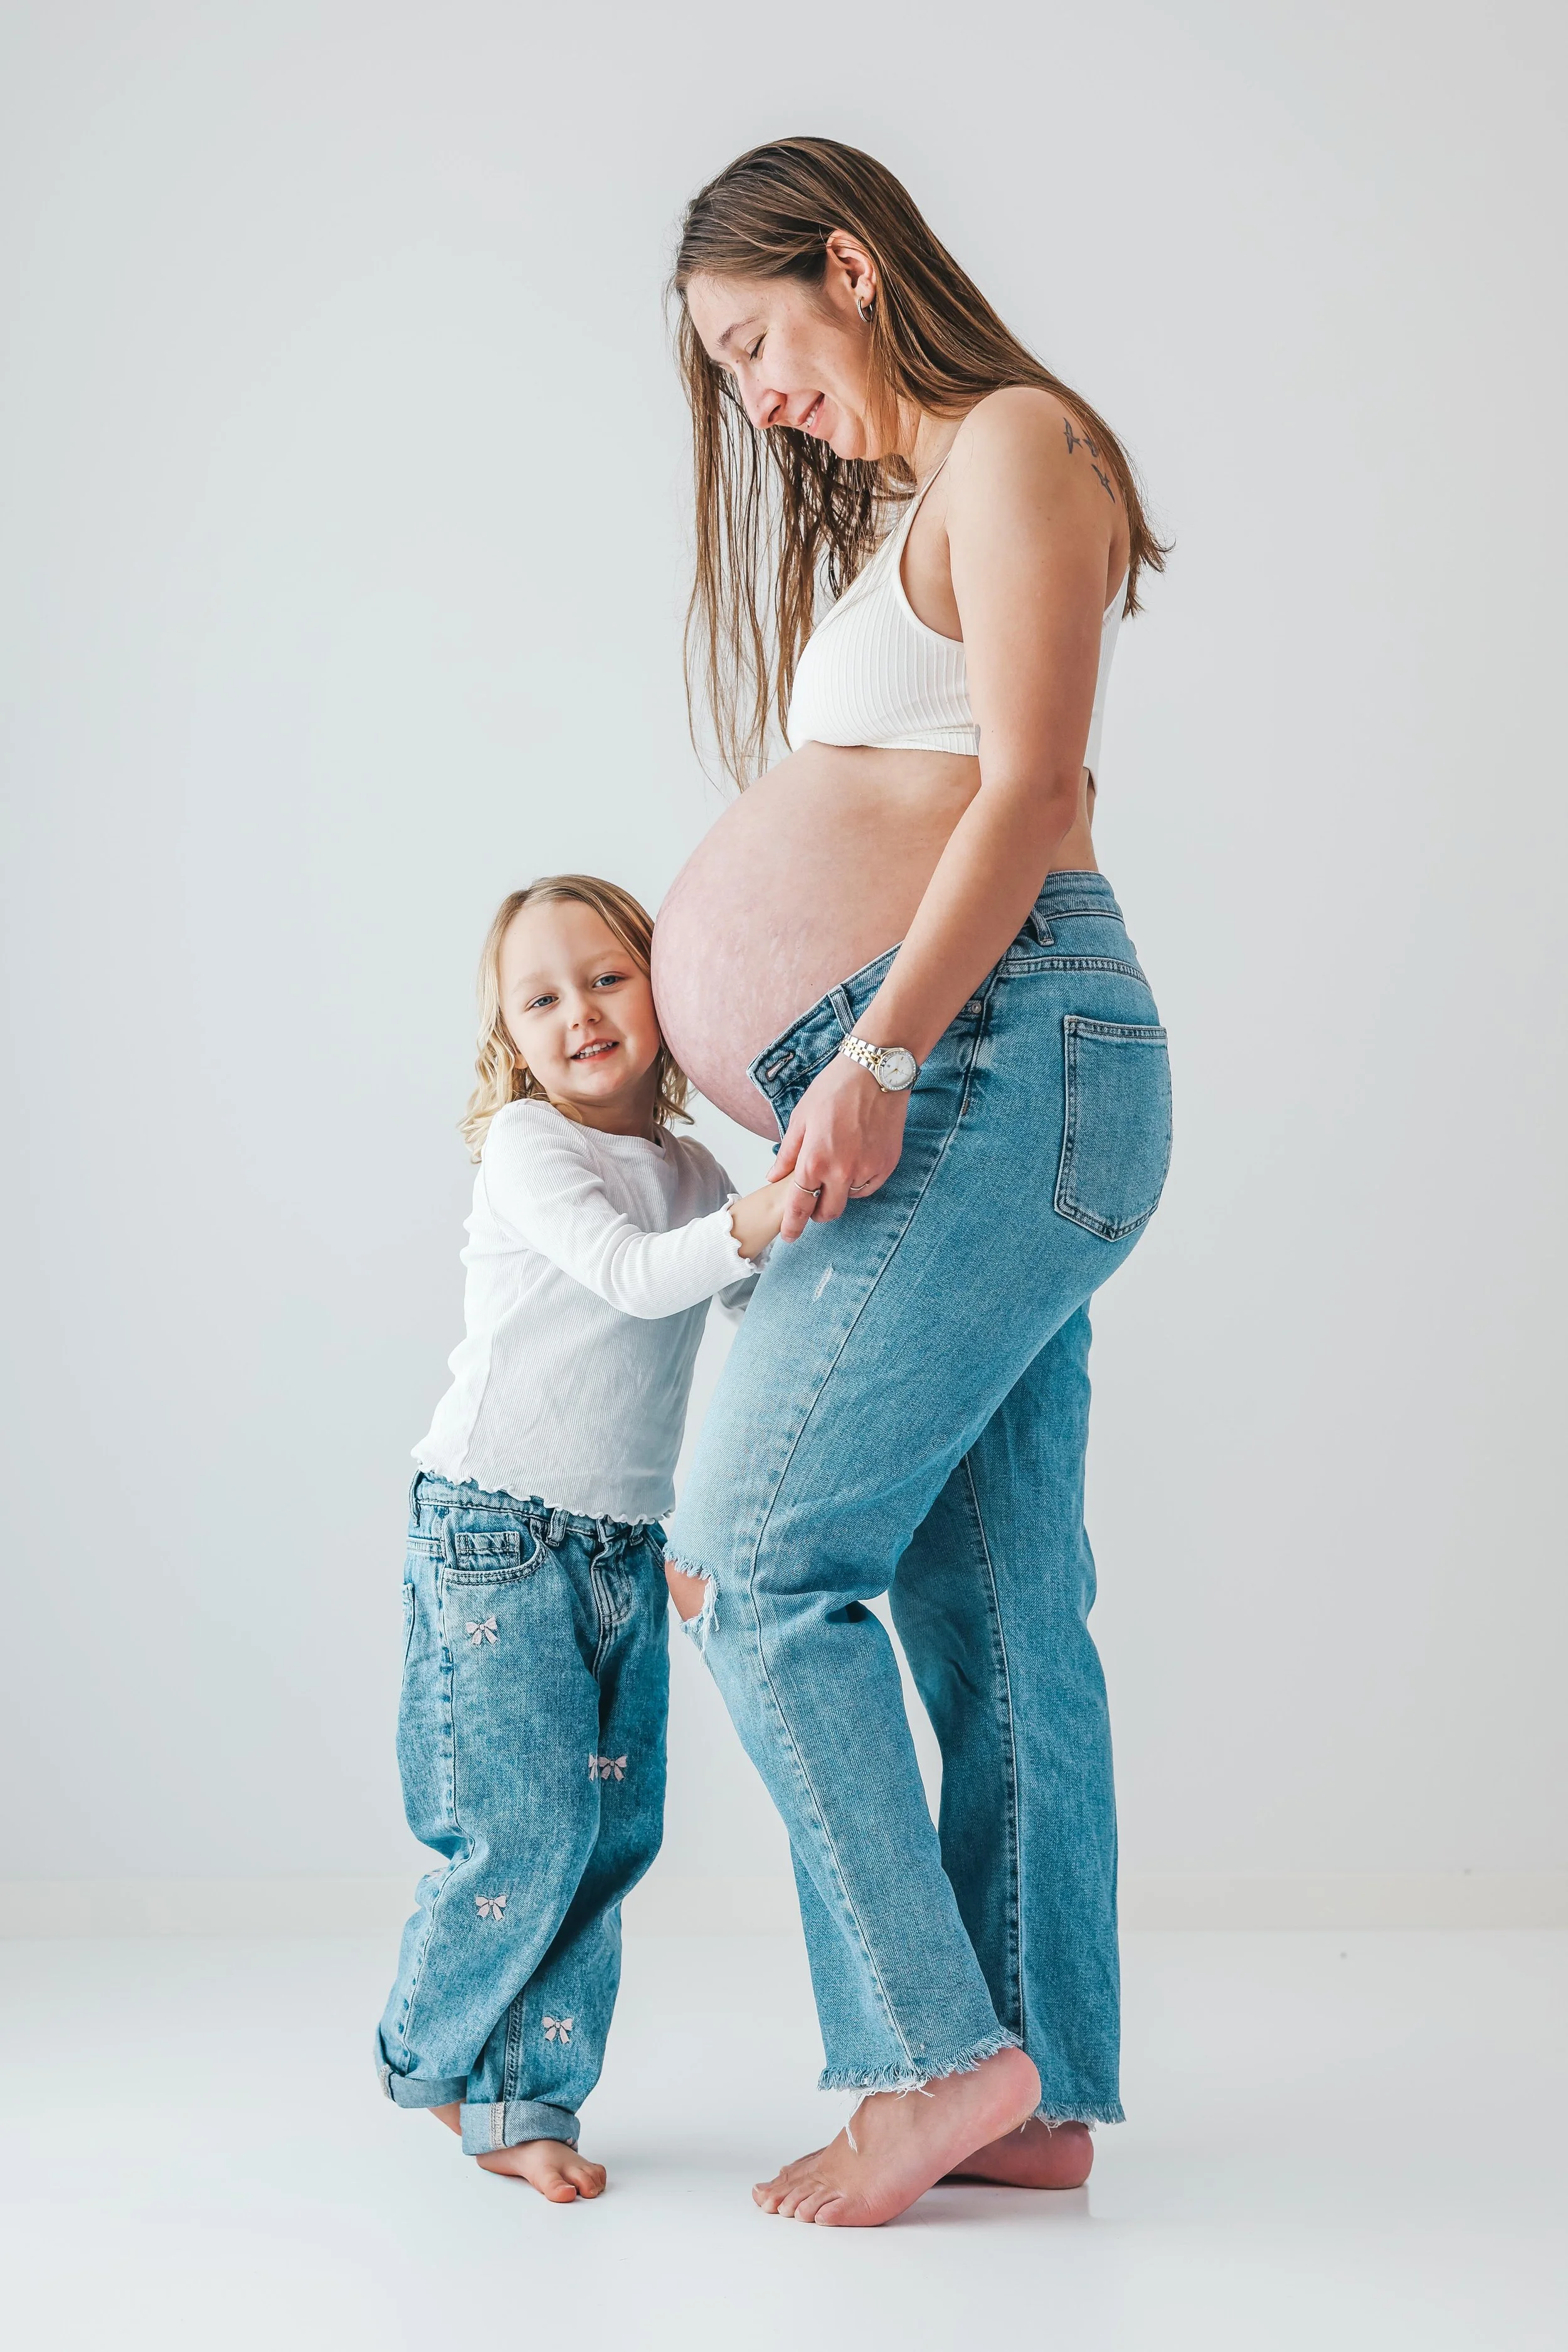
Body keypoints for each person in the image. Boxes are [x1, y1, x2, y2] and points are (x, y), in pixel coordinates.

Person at [652, 138, 1173, 2227]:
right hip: (947, 1074)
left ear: (851, 269)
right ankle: (1033, 2084)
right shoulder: (911, 504)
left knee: (748, 1557)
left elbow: (1032, 789)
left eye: (753, 340)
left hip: (984, 1063)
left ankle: (931, 2055)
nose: (756, 391)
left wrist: (867, 1053)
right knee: (997, 1597)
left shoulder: (1019, 439)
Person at [376, 875, 786, 2200]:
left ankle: (530, 2093)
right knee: (524, 1826)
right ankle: (436, 2058)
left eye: (607, 979)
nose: (581, 1013)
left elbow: (757, 1310)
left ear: (664, 992)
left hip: (619, 1544)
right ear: (509, 1033)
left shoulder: (694, 1173)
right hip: (493, 1529)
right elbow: (634, 1275)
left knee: (611, 1835)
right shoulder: (528, 1145)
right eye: (541, 998)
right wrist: (756, 1222)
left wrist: (796, 1230)